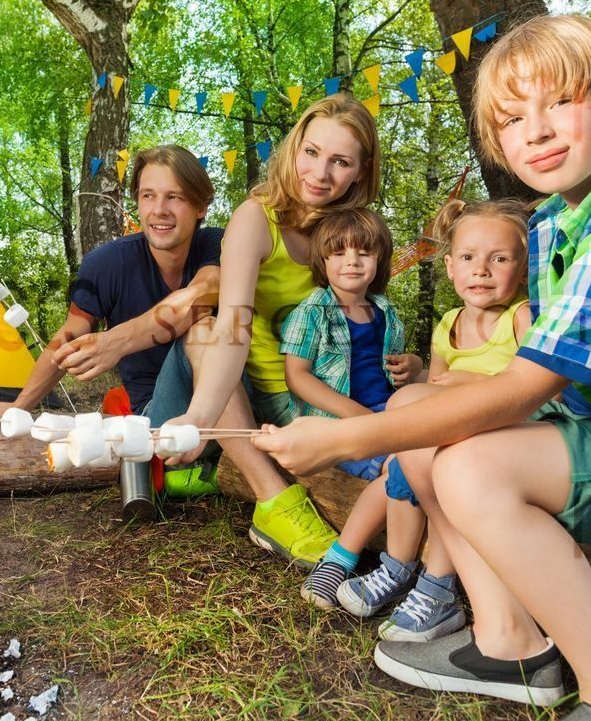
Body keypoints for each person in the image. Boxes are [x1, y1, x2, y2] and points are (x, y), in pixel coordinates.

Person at [254, 14, 591, 721]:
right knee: (418, 412)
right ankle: (510, 641)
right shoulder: (567, 218)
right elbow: (525, 384)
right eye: (509, 118)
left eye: (559, 101)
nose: (533, 131)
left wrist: (346, 438)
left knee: (471, 465)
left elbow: (527, 386)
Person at [156, 94, 402, 569]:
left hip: (322, 398)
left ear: (360, 172)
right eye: (311, 152)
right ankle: (274, 503)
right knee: (203, 330)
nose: (320, 173)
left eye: (340, 161)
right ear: (293, 149)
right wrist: (198, 414)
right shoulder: (256, 218)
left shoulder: (348, 234)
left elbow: (368, 321)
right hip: (245, 391)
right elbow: (234, 326)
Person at [298, 200, 534, 647]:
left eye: (498, 259)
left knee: (437, 469)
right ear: (449, 267)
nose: (481, 270)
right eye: (468, 258)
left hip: (498, 438)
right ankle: (388, 565)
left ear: (521, 270)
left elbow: (538, 390)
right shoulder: (448, 323)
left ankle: (435, 584)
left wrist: (470, 382)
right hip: (445, 433)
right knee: (402, 466)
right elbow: (437, 383)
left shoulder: (520, 318)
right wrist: (421, 372)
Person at [0, 145, 221, 474]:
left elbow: (201, 296)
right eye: (148, 196)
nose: (159, 210)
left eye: (175, 197)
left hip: (225, 404)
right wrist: (20, 407)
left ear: (201, 206)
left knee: (207, 329)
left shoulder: (217, 245)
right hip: (158, 419)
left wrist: (115, 341)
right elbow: (69, 336)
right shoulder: (106, 264)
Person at [279, 208, 423, 614]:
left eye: (363, 253)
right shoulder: (313, 311)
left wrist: (412, 366)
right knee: (402, 466)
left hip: (388, 413)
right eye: (339, 253)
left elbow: (394, 371)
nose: (352, 262)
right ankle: (341, 558)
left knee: (422, 456)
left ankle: (400, 567)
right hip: (337, 421)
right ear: (323, 261)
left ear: (379, 260)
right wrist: (359, 417)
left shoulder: (384, 312)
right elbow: (298, 377)